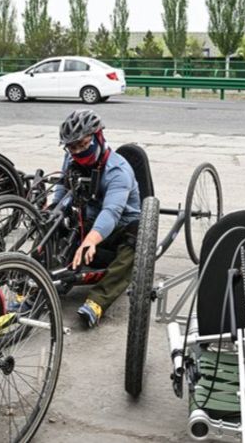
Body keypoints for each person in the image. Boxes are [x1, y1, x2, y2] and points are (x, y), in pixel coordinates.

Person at [54, 109, 141, 328]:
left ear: (98, 137)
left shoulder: (118, 171)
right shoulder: (71, 158)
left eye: (83, 145)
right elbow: (62, 186)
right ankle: (36, 284)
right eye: (72, 147)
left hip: (120, 229)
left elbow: (111, 212)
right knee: (56, 223)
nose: (77, 151)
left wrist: (91, 240)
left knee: (137, 238)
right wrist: (52, 210)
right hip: (89, 223)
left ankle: (97, 302)